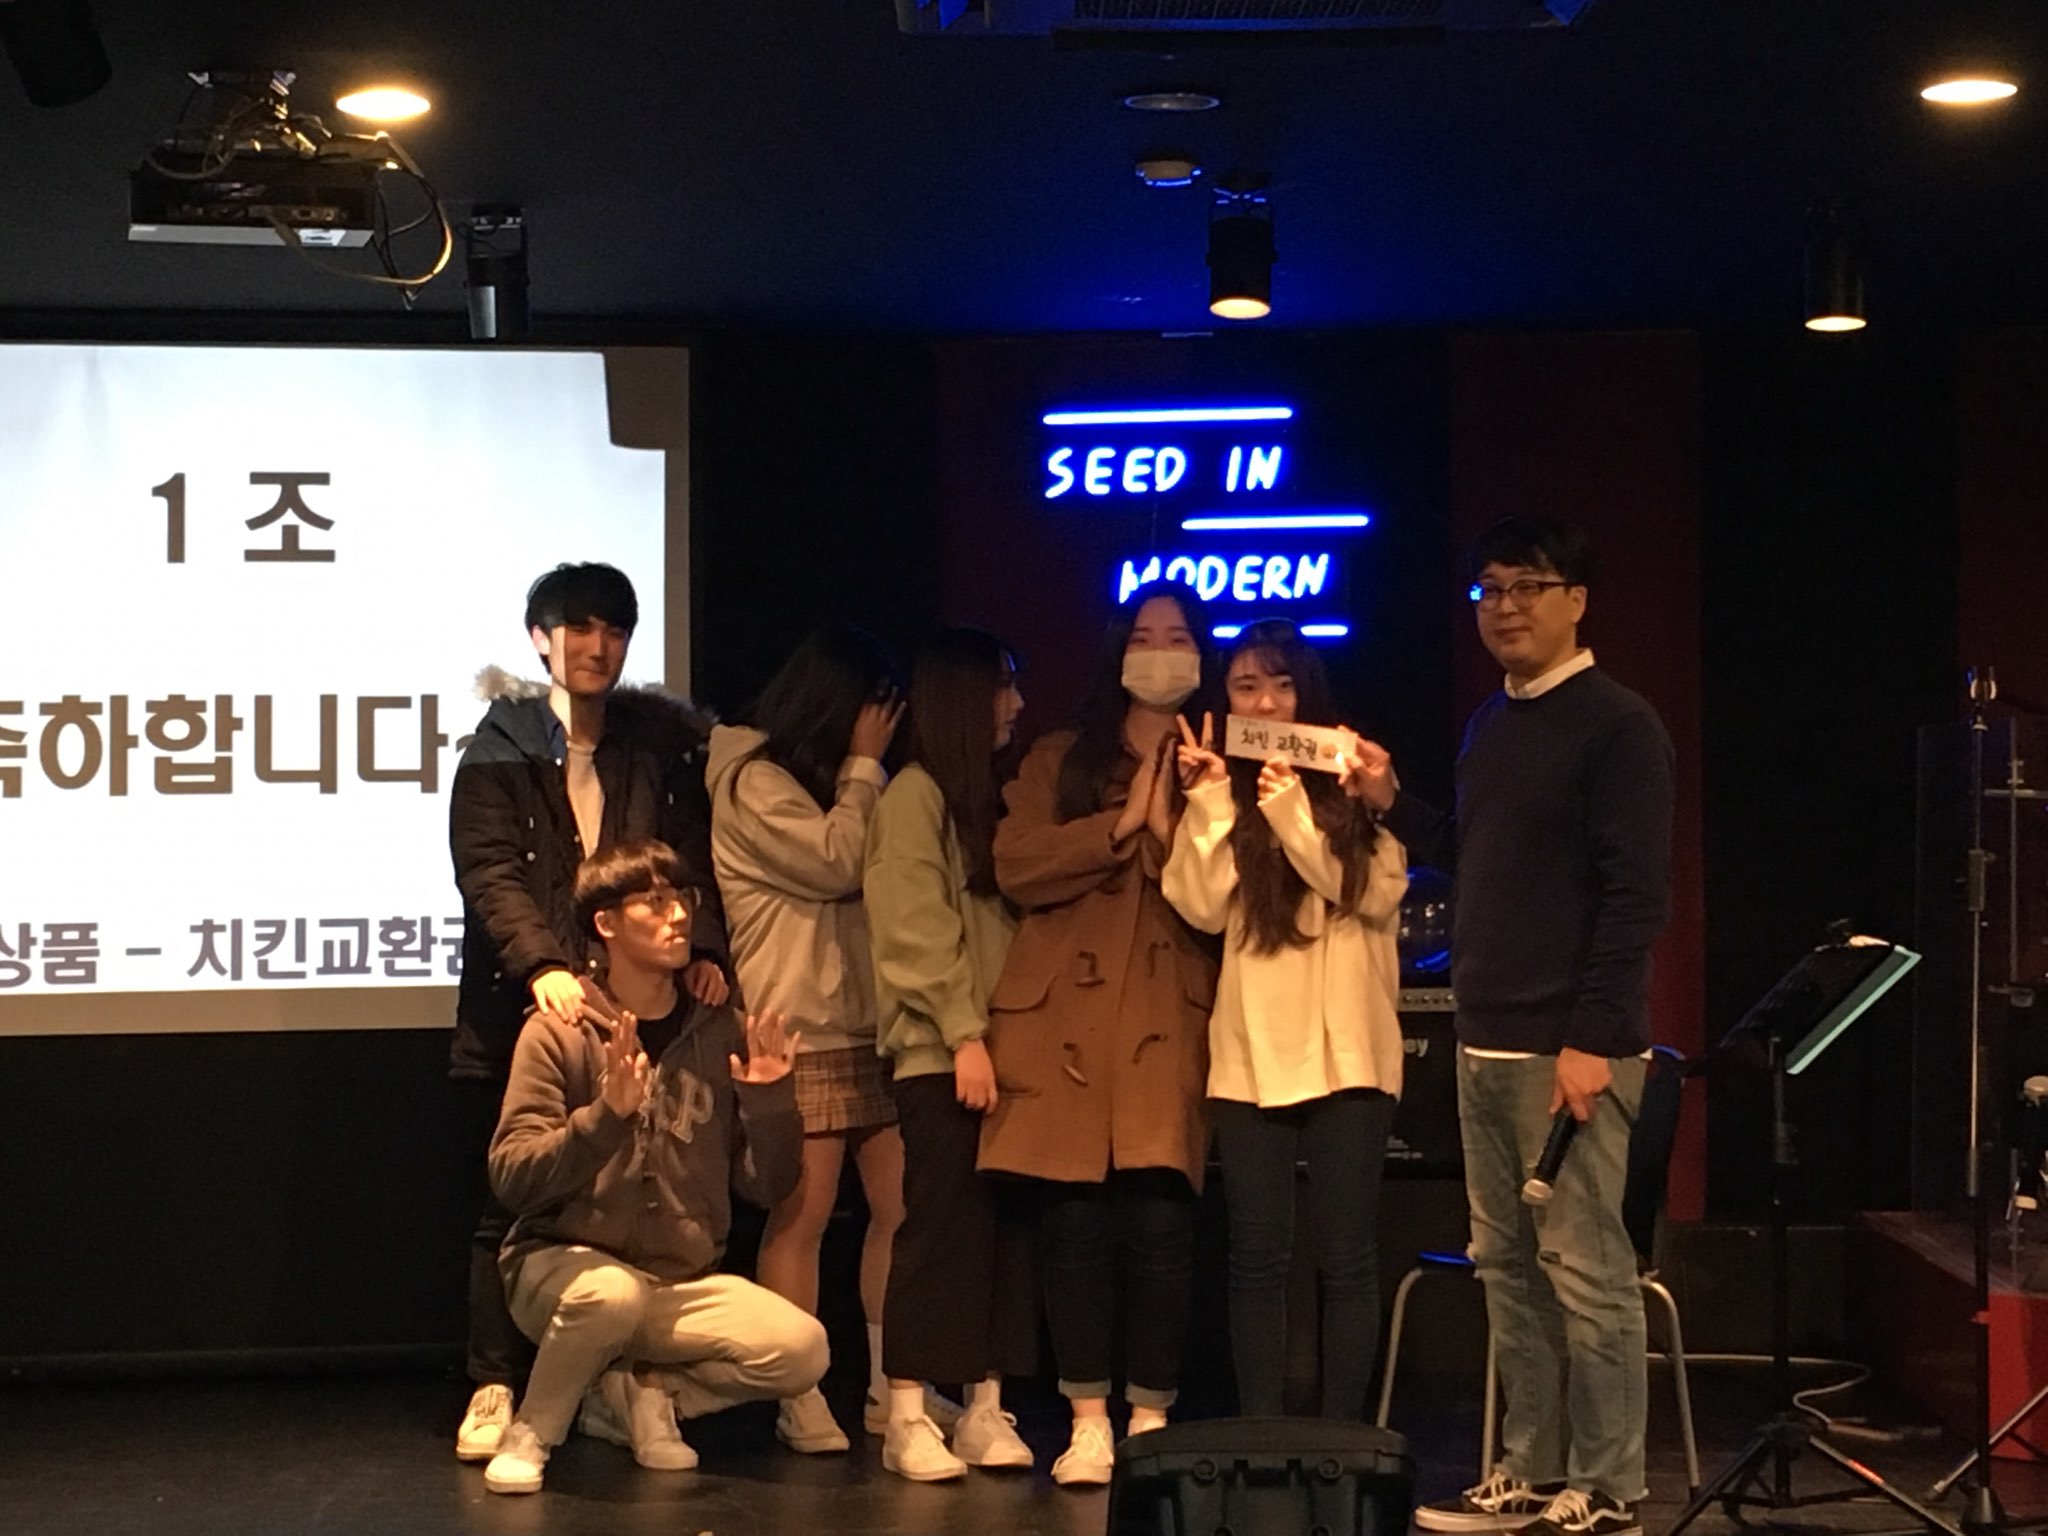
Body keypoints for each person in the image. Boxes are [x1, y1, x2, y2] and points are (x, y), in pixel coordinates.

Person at [1352, 519, 1673, 1537]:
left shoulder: (1618, 725)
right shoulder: (1492, 721)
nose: (1505, 607)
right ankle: (1531, 1469)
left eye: (1528, 585)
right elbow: (1475, 849)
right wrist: (1389, 800)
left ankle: (1611, 1486)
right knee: (1507, 1265)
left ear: (1576, 598)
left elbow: (1634, 896)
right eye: (1489, 588)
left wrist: (1592, 1038)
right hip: (1484, 1039)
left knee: (1585, 1268)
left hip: (1566, 1047)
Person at [447, 561, 730, 1464]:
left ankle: (622, 1385)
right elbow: (488, 869)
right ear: (541, 639)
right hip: (521, 1004)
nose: (598, 646)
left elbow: (684, 863)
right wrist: (540, 964)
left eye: (614, 630)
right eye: (578, 628)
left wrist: (704, 950)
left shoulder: (655, 745)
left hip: (633, 999)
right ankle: (494, 1383)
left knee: (629, 1187)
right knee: (509, 1201)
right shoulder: (499, 743)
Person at [481, 839, 826, 1496]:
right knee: (611, 1294)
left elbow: (767, 1187)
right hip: (561, 1266)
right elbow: (513, 1176)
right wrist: (604, 1118)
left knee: (803, 1348)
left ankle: (640, 1396)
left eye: (683, 899)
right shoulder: (558, 1030)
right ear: (606, 923)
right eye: (656, 901)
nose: (680, 916)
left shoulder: (721, 1029)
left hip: (676, 1282)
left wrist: (771, 1101)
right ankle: (534, 1431)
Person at [977, 581, 1220, 1486]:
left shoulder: (1221, 757)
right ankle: (1087, 1422)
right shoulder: (1061, 755)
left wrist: (1172, 819)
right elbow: (1016, 862)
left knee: (1160, 1221)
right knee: (1073, 1223)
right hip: (1066, 1019)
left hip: (1168, 1012)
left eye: (1178, 636)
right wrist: (1119, 825)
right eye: (1144, 634)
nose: (1160, 651)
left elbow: (1229, 888)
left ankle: (1150, 1416)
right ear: (1119, 651)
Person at [706, 625, 951, 1452]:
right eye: (871, 710)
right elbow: (837, 859)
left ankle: (893, 1385)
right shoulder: (752, 778)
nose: (880, 727)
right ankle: (797, 1391)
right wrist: (863, 767)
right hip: (794, 1026)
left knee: (901, 1207)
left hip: (868, 1025)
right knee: (802, 1213)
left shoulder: (834, 782)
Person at [1160, 619, 1408, 1419]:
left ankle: (1344, 1437)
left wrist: (1297, 811)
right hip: (1252, 1053)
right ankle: (1260, 1429)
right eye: (1246, 687)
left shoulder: (1360, 791)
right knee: (1257, 1256)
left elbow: (1360, 891)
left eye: (1281, 684)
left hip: (1349, 1054)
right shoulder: (1230, 797)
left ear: (1308, 694)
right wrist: (1207, 801)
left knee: (1346, 1255)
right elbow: (1198, 903)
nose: (1265, 702)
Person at [865, 628, 1037, 1481]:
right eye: (1002, 687)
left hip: (999, 1053)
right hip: (942, 1055)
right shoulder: (913, 797)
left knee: (1001, 1237)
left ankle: (982, 1405)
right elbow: (914, 930)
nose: (1016, 704)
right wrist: (965, 1034)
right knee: (939, 1230)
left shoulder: (986, 800)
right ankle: (904, 1410)